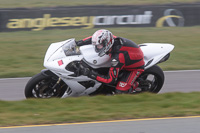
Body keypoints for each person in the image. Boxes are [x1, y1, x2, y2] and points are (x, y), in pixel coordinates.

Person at [76, 29, 145, 93]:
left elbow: (110, 80)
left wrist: (90, 73)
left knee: (120, 92)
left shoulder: (117, 58)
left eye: (99, 46)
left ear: (107, 43)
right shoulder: (110, 38)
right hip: (128, 56)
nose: (97, 48)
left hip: (134, 68)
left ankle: (137, 84)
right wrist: (79, 42)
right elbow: (93, 39)